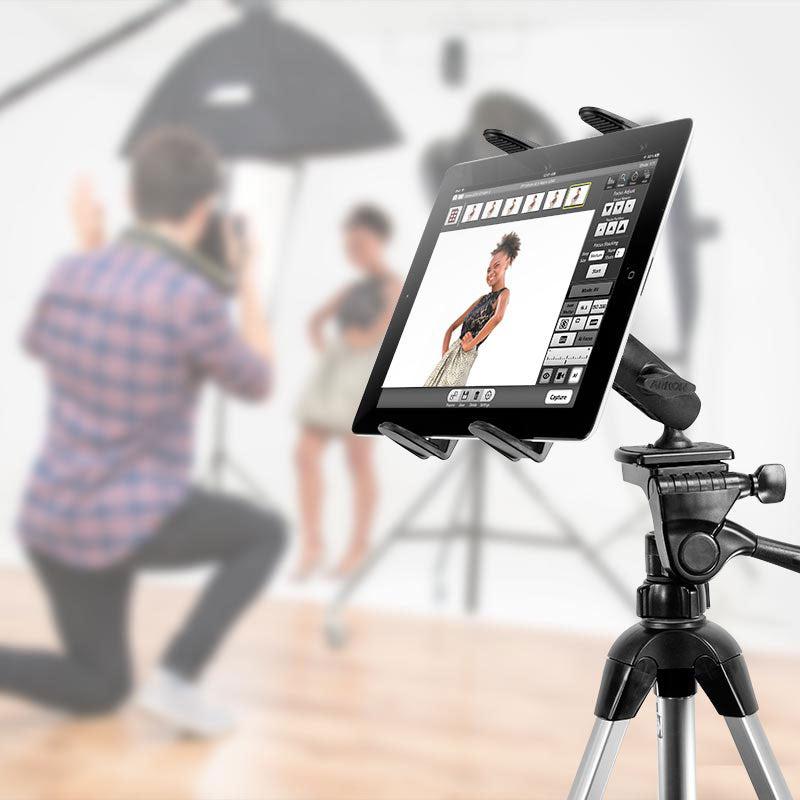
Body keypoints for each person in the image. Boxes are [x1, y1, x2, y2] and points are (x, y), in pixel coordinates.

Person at [5, 128, 286, 737]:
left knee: (102, 687)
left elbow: (38, 340)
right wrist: (247, 278)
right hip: (130, 519)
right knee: (265, 533)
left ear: (131, 196)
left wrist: (89, 250)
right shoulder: (190, 298)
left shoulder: (69, 274)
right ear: (203, 209)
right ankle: (178, 676)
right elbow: (258, 379)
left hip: (53, 520)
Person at [294, 206, 399, 579]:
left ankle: (358, 546)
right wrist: (329, 348)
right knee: (305, 453)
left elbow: (384, 331)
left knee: (358, 461)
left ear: (378, 241)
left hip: (364, 375)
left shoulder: (393, 285)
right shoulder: (352, 288)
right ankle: (313, 544)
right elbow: (315, 321)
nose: (354, 249)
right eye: (349, 243)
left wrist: (360, 342)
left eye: (360, 242)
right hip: (337, 369)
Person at [424, 231, 521, 387]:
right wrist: (445, 355)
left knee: (448, 394)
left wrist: (472, 344)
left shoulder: (504, 294)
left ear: (507, 263)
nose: (491, 272)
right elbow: (451, 328)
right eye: (488, 269)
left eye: (496, 266)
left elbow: (497, 318)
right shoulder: (482, 299)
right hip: (453, 353)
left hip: (466, 354)